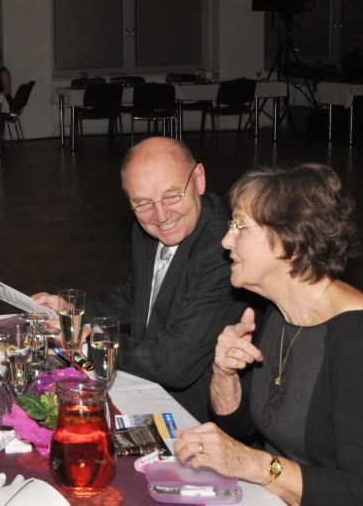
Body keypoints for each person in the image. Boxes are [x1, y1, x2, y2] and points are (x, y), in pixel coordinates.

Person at [174, 163, 363, 505]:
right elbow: (248, 428)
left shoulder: (360, 343)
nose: (226, 241)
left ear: (292, 244)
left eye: (240, 226)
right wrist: (224, 376)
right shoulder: (280, 314)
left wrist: (253, 464)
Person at [33, 137, 247, 422]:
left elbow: (175, 363)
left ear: (199, 179)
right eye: (142, 202)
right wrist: (72, 311)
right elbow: (137, 296)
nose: (161, 215)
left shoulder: (224, 249)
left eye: (172, 195)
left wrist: (88, 343)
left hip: (195, 414)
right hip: (146, 384)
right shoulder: (147, 227)